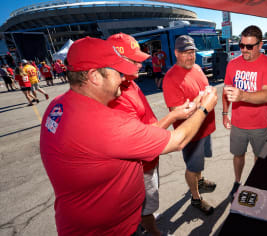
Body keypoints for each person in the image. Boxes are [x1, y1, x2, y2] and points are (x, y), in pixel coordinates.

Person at [39, 36, 217, 236]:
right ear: (94, 76)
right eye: (117, 71)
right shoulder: (103, 123)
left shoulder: (58, 104)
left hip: (98, 219)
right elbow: (178, 141)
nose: (124, 77)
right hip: (111, 229)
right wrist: (204, 108)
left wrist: (174, 114)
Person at [107, 33, 194, 236]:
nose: (140, 64)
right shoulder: (115, 95)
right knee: (146, 205)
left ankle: (144, 221)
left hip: (149, 161)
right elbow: (144, 138)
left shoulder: (130, 82)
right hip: (140, 166)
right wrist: (175, 115)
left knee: (146, 202)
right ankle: (154, 232)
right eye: (134, 60)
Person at [162, 35, 217, 215]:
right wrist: (201, 99)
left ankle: (199, 181)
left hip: (205, 127)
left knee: (199, 165)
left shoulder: (198, 68)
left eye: (192, 52)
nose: (190, 56)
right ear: (176, 53)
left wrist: (207, 93)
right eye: (185, 53)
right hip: (190, 134)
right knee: (192, 168)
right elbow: (177, 111)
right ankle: (195, 198)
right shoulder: (170, 78)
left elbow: (205, 88)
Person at [222, 25, 267, 199]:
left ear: (260, 45)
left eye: (249, 46)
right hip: (238, 124)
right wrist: (225, 114)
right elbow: (226, 91)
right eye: (242, 45)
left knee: (259, 158)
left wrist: (243, 95)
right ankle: (237, 182)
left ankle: (255, 183)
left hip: (260, 125)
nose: (244, 50)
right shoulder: (233, 64)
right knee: (238, 156)